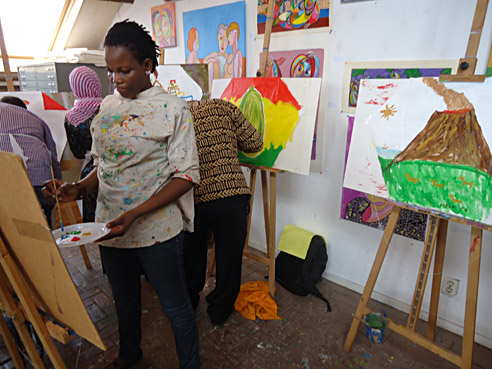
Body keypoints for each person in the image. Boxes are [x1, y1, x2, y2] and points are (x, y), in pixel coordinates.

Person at [42, 20, 200, 369]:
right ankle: (129, 356)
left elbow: (187, 176)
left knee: (175, 306)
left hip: (157, 230)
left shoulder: (173, 110)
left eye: (124, 70)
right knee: (124, 302)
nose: (115, 79)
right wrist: (80, 188)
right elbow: (106, 165)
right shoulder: (108, 108)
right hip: (111, 228)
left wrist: (137, 213)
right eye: (110, 71)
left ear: (147, 66)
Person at [184, 98, 263, 325]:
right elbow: (255, 143)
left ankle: (189, 301)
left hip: (194, 195)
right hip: (232, 194)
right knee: (229, 259)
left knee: (192, 253)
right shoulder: (225, 106)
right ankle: (220, 311)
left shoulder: (178, 113)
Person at [0, 96, 61, 228]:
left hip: (5, 180)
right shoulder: (35, 118)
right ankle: (47, 246)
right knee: (44, 226)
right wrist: (57, 183)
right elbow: (52, 155)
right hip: (40, 179)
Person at [64, 66, 103, 222]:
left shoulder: (70, 116)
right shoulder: (110, 106)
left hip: (89, 171)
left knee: (93, 215)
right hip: (115, 166)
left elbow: (78, 152)